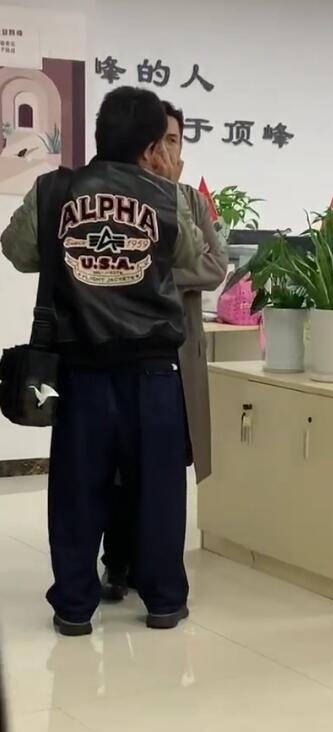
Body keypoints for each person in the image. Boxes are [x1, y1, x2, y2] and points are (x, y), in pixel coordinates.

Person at [1, 87, 205, 636]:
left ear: (98, 133)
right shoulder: (166, 196)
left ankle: (73, 606)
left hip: (80, 369)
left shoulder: (54, 189)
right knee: (159, 490)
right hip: (153, 371)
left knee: (76, 489)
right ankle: (163, 601)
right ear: (151, 146)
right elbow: (191, 257)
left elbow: (16, 251)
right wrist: (168, 187)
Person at [101, 100, 228, 601]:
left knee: (166, 470)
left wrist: (147, 273)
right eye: (159, 142)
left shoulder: (190, 202)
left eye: (174, 142)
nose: (166, 153)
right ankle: (117, 562)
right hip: (121, 350)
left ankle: (157, 570)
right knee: (116, 465)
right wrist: (152, 271)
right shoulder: (112, 198)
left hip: (176, 353)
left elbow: (213, 267)